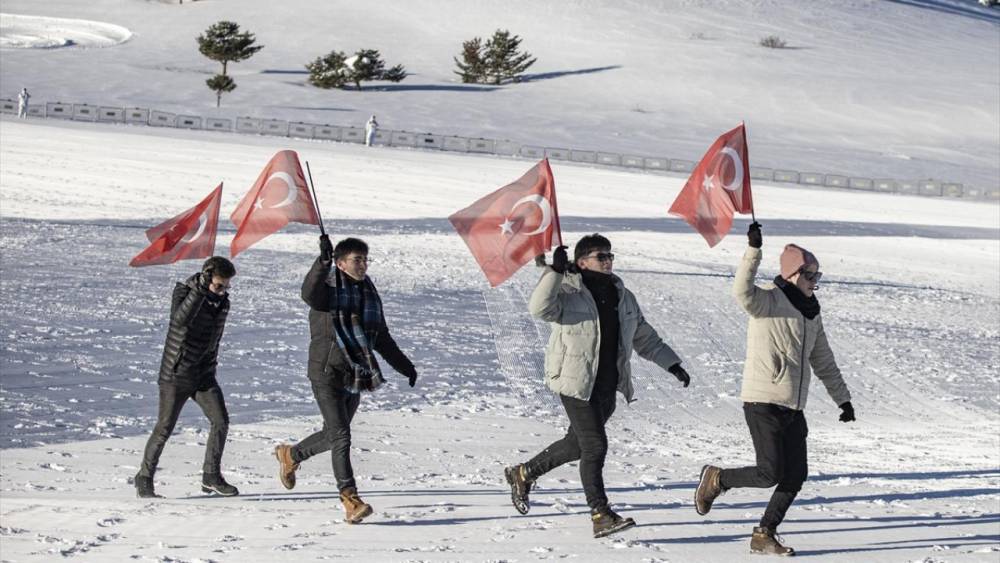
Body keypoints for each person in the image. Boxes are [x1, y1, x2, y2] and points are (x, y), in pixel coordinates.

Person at [504, 234, 692, 539]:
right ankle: (599, 513)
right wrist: (553, 272)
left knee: (576, 445)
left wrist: (672, 364)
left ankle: (522, 473)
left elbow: (642, 334)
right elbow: (539, 309)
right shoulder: (567, 289)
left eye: (609, 256)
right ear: (582, 262)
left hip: (607, 384)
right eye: (600, 256)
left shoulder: (622, 294)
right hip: (575, 382)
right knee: (594, 446)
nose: (607, 261)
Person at [694, 222, 854, 556]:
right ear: (794, 274)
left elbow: (823, 360)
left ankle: (764, 533)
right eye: (810, 276)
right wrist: (753, 251)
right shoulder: (769, 300)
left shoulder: (812, 313)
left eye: (818, 276)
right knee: (770, 472)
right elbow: (740, 291)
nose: (815, 283)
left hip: (793, 407)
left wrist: (843, 399)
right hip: (763, 401)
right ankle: (717, 478)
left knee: (795, 475)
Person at [274, 235, 418, 524]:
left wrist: (404, 366)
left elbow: (381, 336)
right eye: (357, 259)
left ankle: (291, 455)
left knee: (332, 435)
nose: (363, 265)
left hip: (355, 373)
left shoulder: (368, 293)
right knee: (342, 436)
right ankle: (349, 499)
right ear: (341, 263)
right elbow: (308, 293)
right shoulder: (327, 291)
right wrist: (321, 262)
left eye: (365, 259)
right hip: (325, 372)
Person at [135, 256, 239, 498]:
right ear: (205, 278)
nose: (223, 292)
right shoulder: (183, 292)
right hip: (176, 374)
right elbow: (180, 320)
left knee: (220, 421)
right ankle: (144, 477)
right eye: (218, 286)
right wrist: (201, 292)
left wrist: (210, 368)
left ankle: (210, 477)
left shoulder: (222, 304)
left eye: (227, 287)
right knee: (164, 428)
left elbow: (214, 341)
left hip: (203, 375)